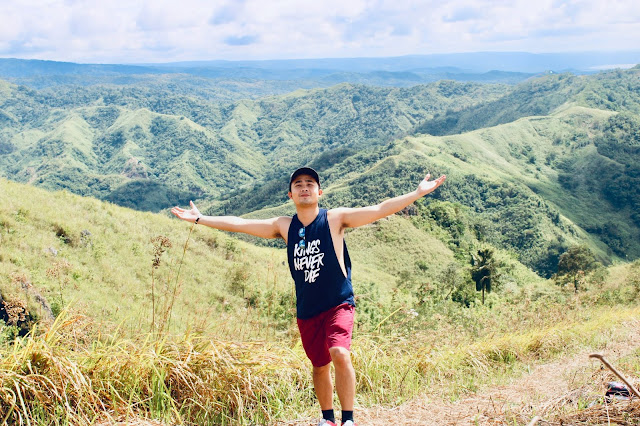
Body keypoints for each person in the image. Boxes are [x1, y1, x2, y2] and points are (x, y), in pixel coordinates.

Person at [171, 167, 446, 426]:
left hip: (339, 302)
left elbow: (378, 209)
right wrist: (199, 218)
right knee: (319, 364)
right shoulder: (284, 226)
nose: (305, 188)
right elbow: (241, 224)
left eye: (310, 184)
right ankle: (327, 418)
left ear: (319, 193)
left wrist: (417, 193)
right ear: (290, 195)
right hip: (307, 309)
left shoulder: (335, 219)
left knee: (339, 352)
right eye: (298, 185)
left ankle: (347, 418)